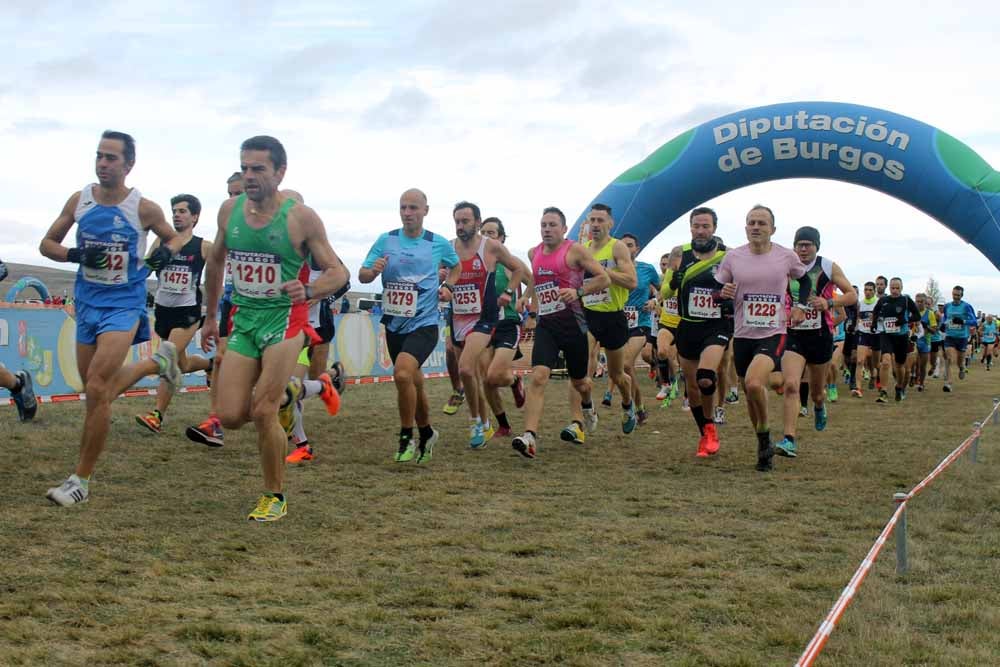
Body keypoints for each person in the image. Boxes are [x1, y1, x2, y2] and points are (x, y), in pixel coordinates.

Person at [199, 136, 349, 521]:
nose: (249, 176)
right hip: (245, 321)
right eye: (245, 167)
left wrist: (311, 289)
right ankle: (294, 391)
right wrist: (211, 317)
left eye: (258, 169)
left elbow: (339, 272)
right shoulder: (229, 211)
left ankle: (274, 496)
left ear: (280, 172)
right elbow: (215, 263)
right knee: (230, 415)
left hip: (285, 321)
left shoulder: (300, 218)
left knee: (263, 410)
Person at [41, 130, 185, 506]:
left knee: (98, 385)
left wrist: (162, 256)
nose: (103, 164)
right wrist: (75, 256)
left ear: (128, 165)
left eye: (111, 158)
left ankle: (80, 481)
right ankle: (158, 361)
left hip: (124, 303)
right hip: (87, 303)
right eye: (99, 156)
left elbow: (173, 238)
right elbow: (47, 244)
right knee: (92, 393)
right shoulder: (80, 200)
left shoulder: (143, 208)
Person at [359, 189, 459, 464]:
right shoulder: (386, 240)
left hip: (424, 323)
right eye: (403, 207)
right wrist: (374, 270)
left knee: (402, 375)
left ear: (425, 210)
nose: (407, 213)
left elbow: (456, 266)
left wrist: (448, 286)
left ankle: (406, 436)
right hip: (394, 323)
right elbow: (363, 276)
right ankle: (427, 433)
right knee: (413, 382)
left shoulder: (436, 243)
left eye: (413, 207)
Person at [716, 205, 810, 471]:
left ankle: (767, 437)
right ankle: (763, 440)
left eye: (762, 223)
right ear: (745, 228)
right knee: (749, 392)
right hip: (744, 334)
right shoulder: (734, 257)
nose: (756, 227)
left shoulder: (785, 256)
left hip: (773, 332)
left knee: (755, 383)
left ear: (773, 229)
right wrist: (722, 292)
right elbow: (716, 291)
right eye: (751, 222)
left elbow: (804, 281)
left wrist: (800, 306)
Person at [511, 207, 610, 458]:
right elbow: (536, 279)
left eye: (552, 225)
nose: (547, 229)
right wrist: (525, 296)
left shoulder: (574, 250)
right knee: (538, 377)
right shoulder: (534, 252)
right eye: (543, 224)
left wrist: (578, 292)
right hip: (547, 325)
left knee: (580, 382)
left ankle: (588, 405)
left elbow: (603, 278)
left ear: (564, 229)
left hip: (574, 325)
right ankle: (529, 436)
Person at [135, 194, 213, 433]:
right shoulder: (161, 242)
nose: (177, 215)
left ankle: (157, 415)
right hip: (163, 311)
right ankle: (210, 365)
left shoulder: (203, 246)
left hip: (188, 313)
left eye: (182, 211)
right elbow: (144, 271)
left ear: (195, 216)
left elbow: (217, 276)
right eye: (174, 211)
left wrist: (210, 311)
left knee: (167, 357)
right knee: (183, 363)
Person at [450, 202, 525, 448]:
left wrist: (508, 292)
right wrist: (444, 280)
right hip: (459, 316)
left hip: (484, 318)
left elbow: (518, 270)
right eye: (457, 222)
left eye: (465, 221)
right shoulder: (449, 248)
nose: (461, 226)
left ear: (478, 222)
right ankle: (484, 421)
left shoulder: (490, 247)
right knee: (472, 373)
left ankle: (475, 422)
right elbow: (444, 275)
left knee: (465, 369)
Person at [776, 226, 856, 453]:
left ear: (816, 246)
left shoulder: (828, 266)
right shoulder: (786, 267)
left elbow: (851, 295)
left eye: (807, 244)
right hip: (794, 334)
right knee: (791, 384)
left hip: (820, 335)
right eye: (799, 244)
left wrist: (829, 303)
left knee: (817, 392)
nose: (802, 249)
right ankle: (789, 439)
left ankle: (819, 406)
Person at [665, 208, 731, 457]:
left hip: (716, 326)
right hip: (688, 325)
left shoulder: (728, 256)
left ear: (714, 227)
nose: (701, 231)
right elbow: (665, 294)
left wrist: (726, 296)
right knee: (692, 387)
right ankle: (705, 431)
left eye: (706, 226)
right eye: (696, 226)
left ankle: (711, 425)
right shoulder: (678, 254)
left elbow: (741, 287)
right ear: (690, 227)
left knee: (705, 376)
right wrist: (674, 279)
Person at [186, 173, 244, 447]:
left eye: (238, 193)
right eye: (229, 194)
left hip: (266, 309)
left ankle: (310, 390)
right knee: (220, 358)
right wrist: (210, 311)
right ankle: (214, 421)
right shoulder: (227, 226)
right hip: (232, 302)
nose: (232, 199)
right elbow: (216, 267)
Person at [580, 204, 639, 433]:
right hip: (588, 314)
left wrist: (604, 272)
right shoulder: (582, 249)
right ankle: (587, 409)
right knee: (582, 365)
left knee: (617, 374)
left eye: (600, 220)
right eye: (592, 220)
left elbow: (631, 281)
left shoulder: (618, 248)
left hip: (613, 316)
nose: (595, 224)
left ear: (610, 223)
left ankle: (627, 404)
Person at [479, 217, 529, 438]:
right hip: (482, 326)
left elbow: (533, 281)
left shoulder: (510, 262)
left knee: (494, 375)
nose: (487, 236)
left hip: (507, 324)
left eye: (492, 233)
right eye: (484, 232)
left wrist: (526, 301)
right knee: (486, 380)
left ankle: (515, 380)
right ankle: (504, 425)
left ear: (501, 237)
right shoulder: (476, 261)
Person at [620, 233, 660, 425]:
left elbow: (663, 290)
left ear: (637, 248)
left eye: (630, 245)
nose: (627, 249)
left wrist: (654, 301)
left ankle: (630, 406)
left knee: (627, 364)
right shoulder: (613, 270)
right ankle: (640, 407)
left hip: (641, 322)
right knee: (624, 368)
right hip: (618, 323)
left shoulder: (647, 269)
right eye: (623, 245)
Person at [869, 278, 921, 402]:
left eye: (897, 288)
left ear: (901, 288)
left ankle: (899, 387)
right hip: (886, 335)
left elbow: (917, 315)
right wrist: (874, 323)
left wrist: (905, 320)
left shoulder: (906, 300)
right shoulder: (883, 300)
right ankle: (883, 391)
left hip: (901, 336)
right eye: (893, 288)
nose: (895, 290)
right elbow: (875, 311)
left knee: (899, 366)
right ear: (889, 288)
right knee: (886, 361)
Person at [941, 285, 978, 392]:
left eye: (958, 295)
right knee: (949, 358)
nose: (955, 297)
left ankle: (962, 367)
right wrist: (943, 324)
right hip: (950, 336)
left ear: (961, 295)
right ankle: (948, 383)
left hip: (962, 337)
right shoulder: (947, 306)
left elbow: (974, 321)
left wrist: (963, 321)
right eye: (954, 294)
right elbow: (945, 317)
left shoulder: (967, 306)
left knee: (959, 361)